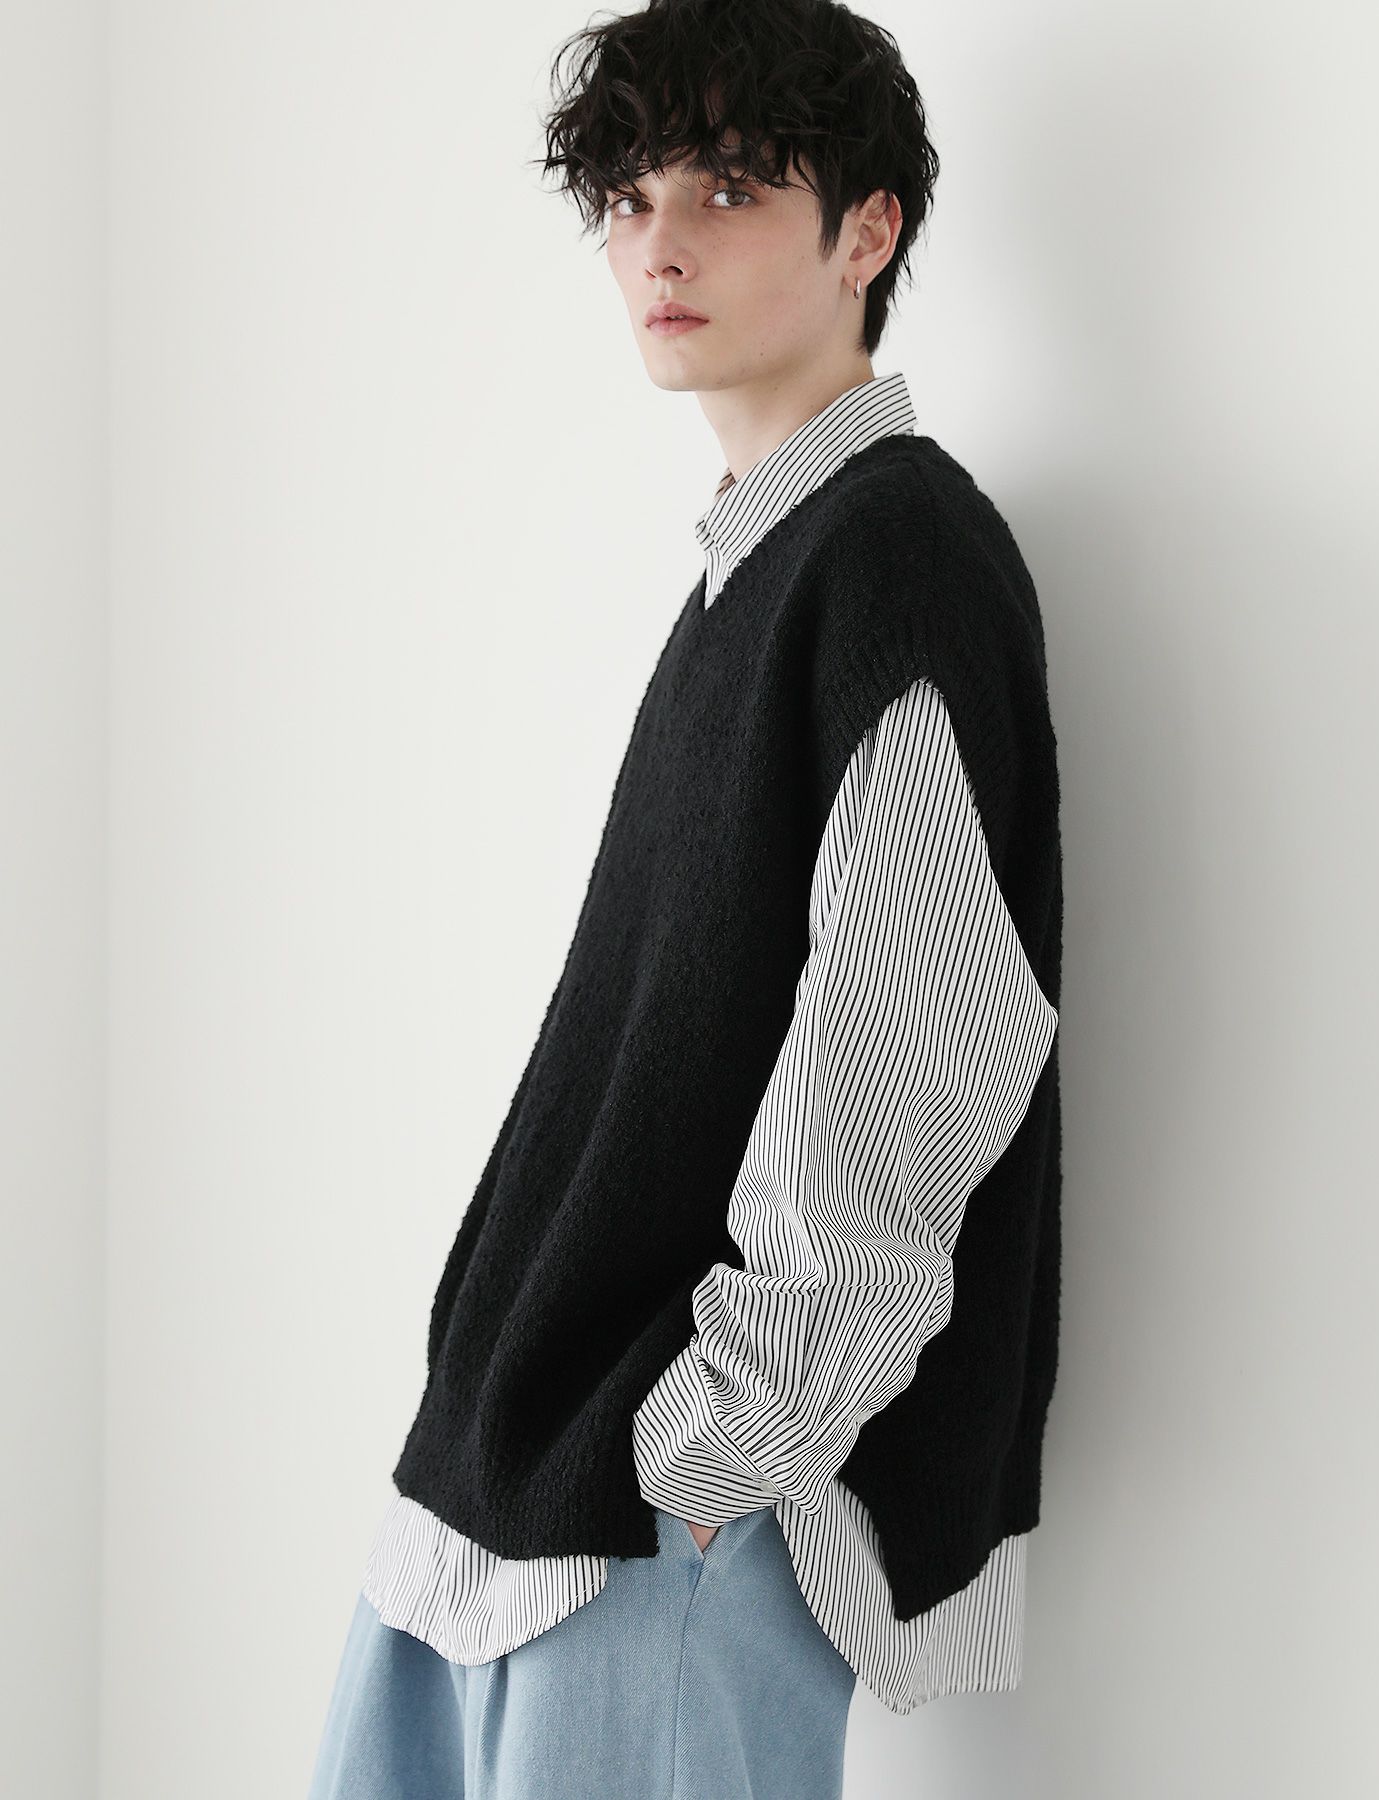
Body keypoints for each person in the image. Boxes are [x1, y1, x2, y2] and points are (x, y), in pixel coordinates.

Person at [307, 2, 1064, 1794]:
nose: (659, 244)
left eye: (727, 188)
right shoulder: (757, 565)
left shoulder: (894, 557)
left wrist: (718, 1452)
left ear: (867, 231)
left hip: (652, 1516)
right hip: (502, 1482)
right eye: (630, 197)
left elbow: (920, 1038)